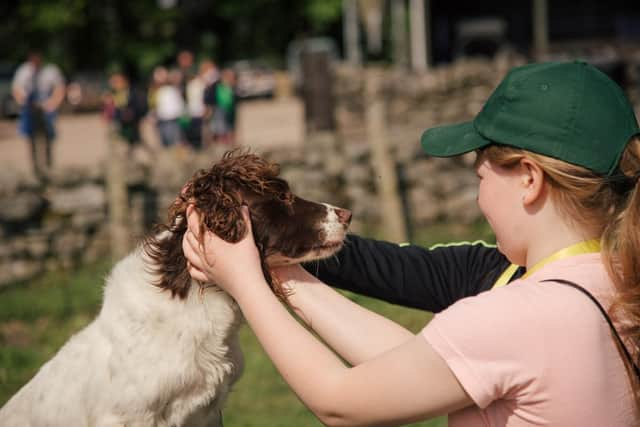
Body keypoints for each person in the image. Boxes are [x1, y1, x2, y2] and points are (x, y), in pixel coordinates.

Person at [182, 61, 640, 425]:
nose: (479, 195)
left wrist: (246, 284)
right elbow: (413, 362)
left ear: (528, 179)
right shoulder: (616, 285)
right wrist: (284, 274)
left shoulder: (520, 315)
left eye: (480, 175)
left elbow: (339, 401)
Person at [11, 50, 66, 178]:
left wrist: (52, 103)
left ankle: (49, 165)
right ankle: (35, 169)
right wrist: (23, 101)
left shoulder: (50, 71)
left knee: (49, 137)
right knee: (30, 137)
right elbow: (17, 89)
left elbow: (60, 88)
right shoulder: (24, 71)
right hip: (30, 108)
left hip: (46, 106)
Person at [104, 71, 147, 147]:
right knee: (115, 136)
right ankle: (117, 155)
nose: (114, 85)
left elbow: (139, 106)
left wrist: (133, 114)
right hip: (121, 121)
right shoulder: (115, 94)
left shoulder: (132, 92)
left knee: (136, 139)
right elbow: (114, 109)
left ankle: (150, 153)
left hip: (132, 122)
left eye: (116, 82)